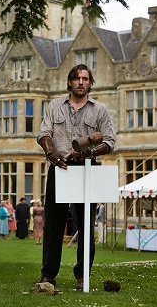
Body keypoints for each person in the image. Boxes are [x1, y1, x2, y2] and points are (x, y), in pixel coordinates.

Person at [37, 63, 115, 290]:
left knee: (86, 225)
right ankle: (48, 275)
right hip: (60, 168)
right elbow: (43, 133)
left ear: (90, 83)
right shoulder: (54, 106)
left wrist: (89, 152)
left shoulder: (99, 110)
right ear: (70, 82)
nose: (81, 82)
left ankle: (83, 276)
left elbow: (109, 141)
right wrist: (50, 153)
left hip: (87, 169)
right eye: (77, 78)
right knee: (53, 225)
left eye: (85, 79)